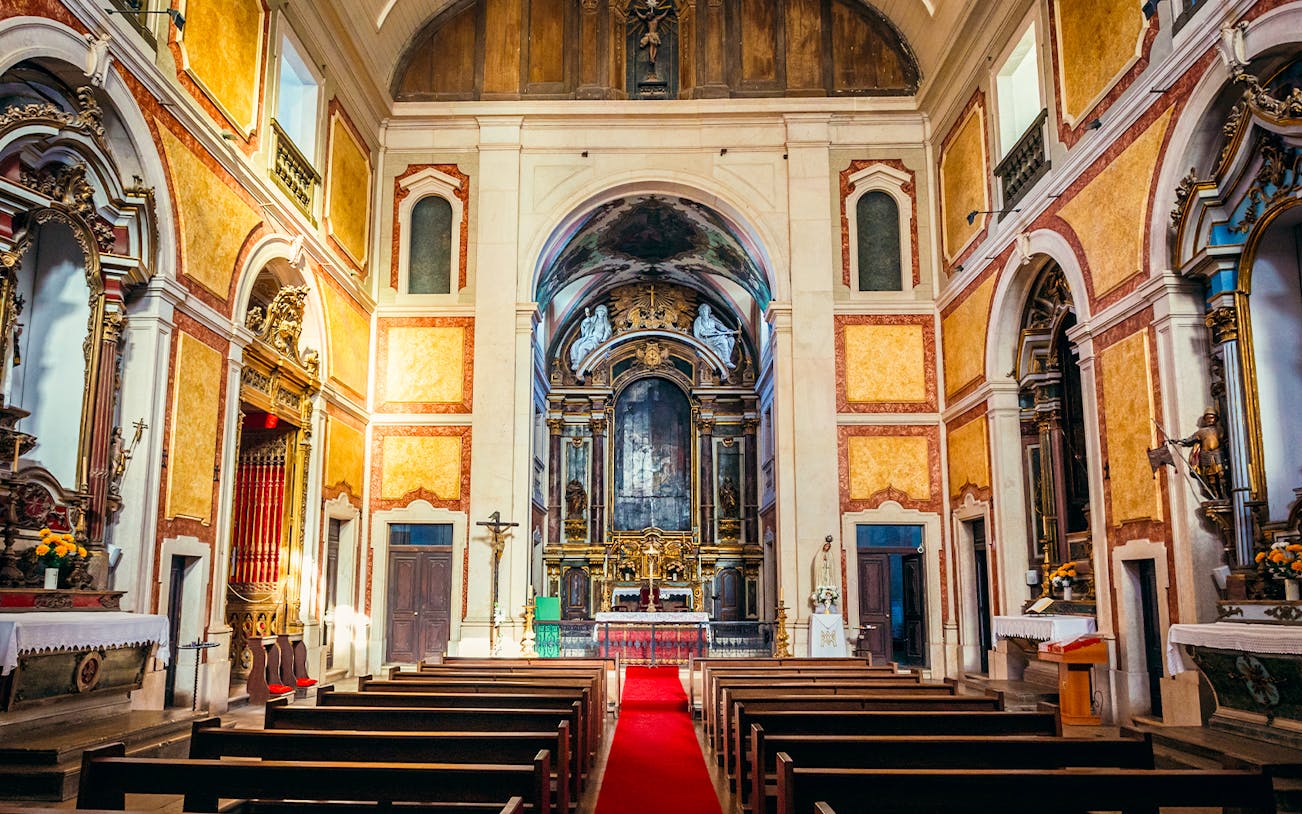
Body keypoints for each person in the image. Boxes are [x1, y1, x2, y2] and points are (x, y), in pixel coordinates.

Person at [1175, 406, 1227, 500]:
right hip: (1205, 455)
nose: (1209, 420)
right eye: (1207, 418)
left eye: (1211, 417)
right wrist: (1178, 441)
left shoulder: (1219, 430)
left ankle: (1224, 495)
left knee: (1221, 475)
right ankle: (1216, 496)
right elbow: (1189, 439)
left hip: (1217, 454)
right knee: (1211, 479)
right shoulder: (1201, 432)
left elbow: (1225, 441)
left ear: (1216, 418)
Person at [693, 303, 736, 367]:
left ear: (708, 312)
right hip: (706, 340)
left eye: (706, 310)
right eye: (703, 310)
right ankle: (726, 361)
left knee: (731, 340)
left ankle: (724, 360)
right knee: (723, 340)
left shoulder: (711, 320)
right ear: (700, 312)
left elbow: (720, 326)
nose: (705, 312)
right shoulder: (699, 320)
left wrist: (728, 330)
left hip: (714, 338)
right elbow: (697, 334)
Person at [569, 305, 611, 370]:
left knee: (582, 348)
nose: (601, 314)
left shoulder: (606, 323)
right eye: (600, 312)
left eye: (603, 312)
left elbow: (608, 331)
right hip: (590, 338)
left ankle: (579, 364)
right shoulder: (593, 319)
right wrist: (587, 321)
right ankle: (579, 363)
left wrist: (604, 338)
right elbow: (584, 324)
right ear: (597, 312)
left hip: (598, 340)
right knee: (577, 346)